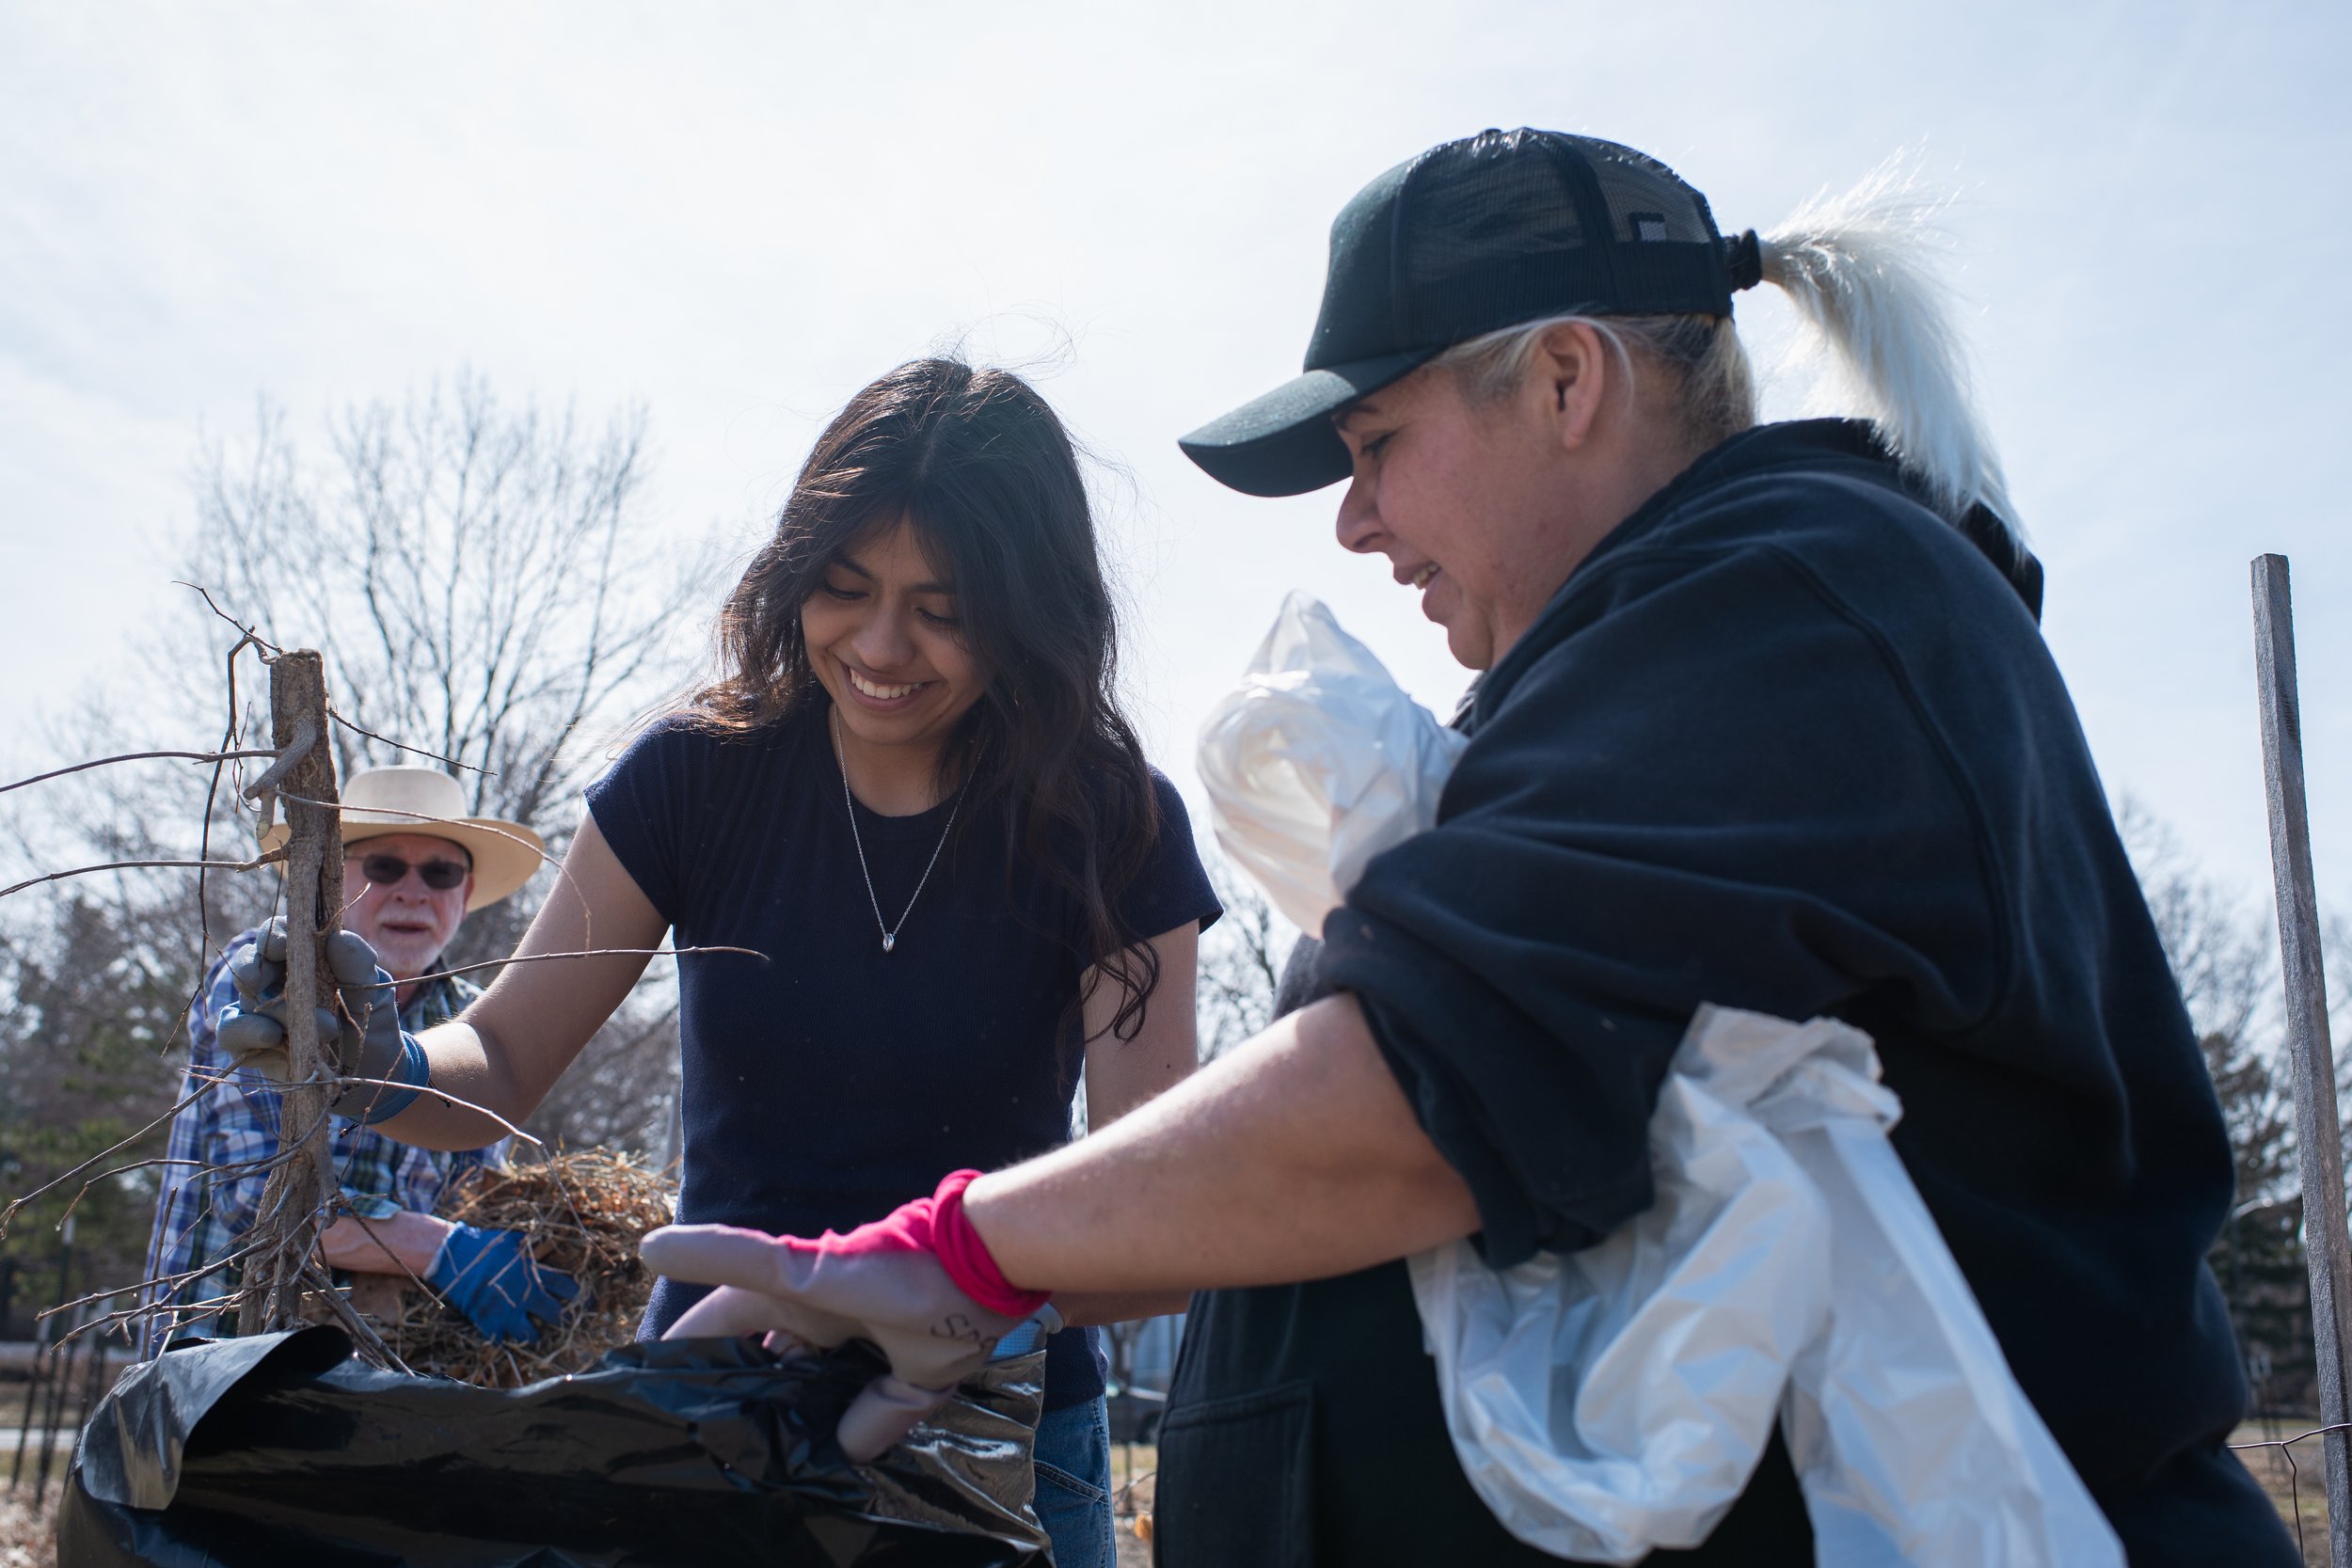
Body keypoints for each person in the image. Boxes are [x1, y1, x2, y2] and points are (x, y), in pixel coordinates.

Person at [634, 130, 2297, 1566]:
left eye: (1374, 450)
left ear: (1566, 379)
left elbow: (1423, 1092)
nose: (1354, 524)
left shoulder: (1791, 601)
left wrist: (951, 1253)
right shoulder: (1653, 659)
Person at [222, 359, 1221, 1568]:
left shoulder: (1113, 825)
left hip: (1003, 1425)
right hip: (709, 1410)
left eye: (944, 608)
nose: (881, 644)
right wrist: (372, 1055)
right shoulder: (693, 776)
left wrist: (969, 1285)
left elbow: (1158, 1217)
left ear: (1033, 609)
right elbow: (504, 1053)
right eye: (842, 588)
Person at [145, 766, 577, 1348]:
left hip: (388, 1375)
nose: (413, 891)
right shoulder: (268, 977)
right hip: (221, 1359)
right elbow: (260, 1201)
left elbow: (475, 1196)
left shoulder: (474, 1023)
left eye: (441, 872)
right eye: (384, 867)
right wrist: (442, 1249)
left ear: (465, 894)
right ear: (328, 880)